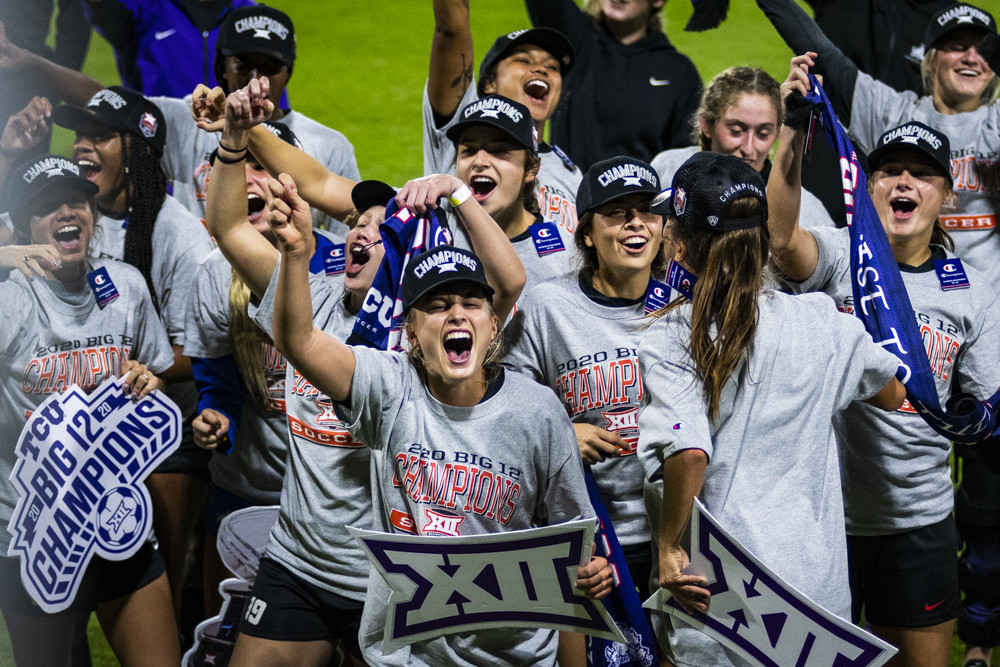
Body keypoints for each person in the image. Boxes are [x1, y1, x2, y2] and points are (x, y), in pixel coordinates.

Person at [201, 77, 527, 665]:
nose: (360, 230)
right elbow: (228, 229)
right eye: (356, 222)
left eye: (381, 229)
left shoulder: (428, 336)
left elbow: (509, 283)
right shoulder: (311, 299)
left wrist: (458, 195)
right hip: (297, 564)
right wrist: (233, 140)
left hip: (395, 572)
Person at [263, 174, 613, 663]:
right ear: (409, 330)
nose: (456, 316)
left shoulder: (538, 412)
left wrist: (591, 573)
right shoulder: (390, 387)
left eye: (472, 303)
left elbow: (571, 557)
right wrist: (297, 254)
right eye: (437, 305)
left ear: (495, 326)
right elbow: (300, 343)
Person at [769, 54, 1000, 667]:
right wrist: (791, 131)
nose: (904, 183)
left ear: (945, 195)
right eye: (890, 170)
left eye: (922, 174)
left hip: (918, 522)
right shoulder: (843, 256)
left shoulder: (971, 290)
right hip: (822, 516)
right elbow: (778, 241)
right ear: (868, 187)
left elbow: (986, 401)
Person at [637, 151, 905, 667]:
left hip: (729, 599)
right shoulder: (823, 322)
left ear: (682, 248)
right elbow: (894, 393)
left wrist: (670, 546)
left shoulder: (675, 336)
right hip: (815, 599)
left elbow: (689, 450)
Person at [0, 154, 180, 667]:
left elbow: (154, 379)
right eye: (47, 206)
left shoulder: (124, 286)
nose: (67, 213)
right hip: (34, 532)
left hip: (117, 519)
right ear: (22, 225)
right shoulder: (8, 299)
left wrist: (151, 381)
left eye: (76, 200)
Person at [48, 85, 215, 620]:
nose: (82, 145)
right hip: (83, 429)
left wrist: (126, 365)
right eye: (79, 133)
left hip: (167, 436)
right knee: (67, 579)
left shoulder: (178, 237)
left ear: (139, 148)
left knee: (157, 581)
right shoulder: (72, 221)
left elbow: (203, 349)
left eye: (100, 135)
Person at [183, 120, 350, 619]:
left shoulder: (348, 268)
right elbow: (217, 380)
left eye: (267, 166)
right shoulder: (214, 276)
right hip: (246, 489)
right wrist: (218, 417)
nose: (253, 180)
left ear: (294, 179)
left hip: (334, 499)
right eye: (241, 167)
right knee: (225, 630)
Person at [505, 155, 663, 599]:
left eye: (648, 211)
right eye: (617, 213)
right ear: (587, 234)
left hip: (677, 532)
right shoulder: (548, 307)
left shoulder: (685, 306)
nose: (636, 224)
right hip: (590, 537)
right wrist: (561, 435)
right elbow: (502, 406)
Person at [426, 0, 582, 234]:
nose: (541, 69)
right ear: (490, 82)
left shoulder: (569, 171)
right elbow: (451, 29)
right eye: (523, 60)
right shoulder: (464, 127)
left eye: (552, 67)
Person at [650, 66, 836, 230]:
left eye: (763, 134)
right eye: (736, 131)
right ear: (706, 124)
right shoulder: (666, 170)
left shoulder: (806, 214)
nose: (748, 149)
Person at [524, 0, 702, 169]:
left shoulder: (678, 72)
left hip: (638, 199)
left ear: (657, 1)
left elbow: (685, 159)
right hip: (570, 197)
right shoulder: (575, 40)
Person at [81, 0, 257, 98]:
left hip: (232, 146)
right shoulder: (144, 7)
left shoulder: (251, 14)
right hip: (159, 143)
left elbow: (273, 99)